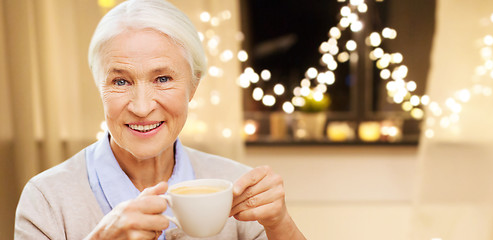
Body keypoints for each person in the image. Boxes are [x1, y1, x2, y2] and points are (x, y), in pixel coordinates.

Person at [14, 0, 306, 239]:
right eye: (120, 82)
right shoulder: (46, 199)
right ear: (99, 88)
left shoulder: (234, 187)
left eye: (163, 78)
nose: (142, 108)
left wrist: (281, 224)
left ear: (193, 86)